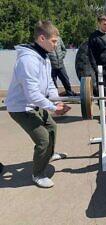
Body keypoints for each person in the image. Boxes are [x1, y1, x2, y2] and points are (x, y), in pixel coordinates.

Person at [5, 20, 70, 188]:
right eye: (54, 41)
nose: (56, 45)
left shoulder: (44, 58)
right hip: (20, 108)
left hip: (34, 104)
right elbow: (32, 94)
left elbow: (49, 84)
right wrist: (54, 107)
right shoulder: (27, 61)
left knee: (52, 128)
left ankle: (49, 154)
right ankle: (38, 174)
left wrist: (57, 101)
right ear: (42, 38)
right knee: (43, 140)